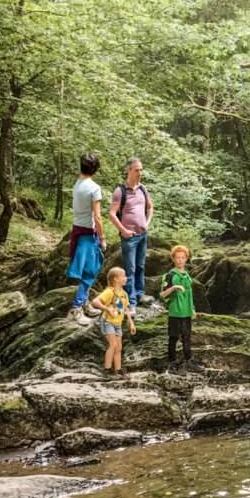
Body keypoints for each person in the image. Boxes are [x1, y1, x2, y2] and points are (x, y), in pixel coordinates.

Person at [66, 152, 107, 324]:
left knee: (88, 269)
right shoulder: (94, 188)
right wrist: (103, 237)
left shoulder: (77, 184)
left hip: (78, 229)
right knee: (91, 270)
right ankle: (76, 307)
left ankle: (84, 303)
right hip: (88, 233)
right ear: (95, 168)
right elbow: (97, 217)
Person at [109, 157, 154, 312]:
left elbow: (150, 208)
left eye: (141, 170)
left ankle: (140, 294)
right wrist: (123, 230)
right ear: (128, 170)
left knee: (141, 266)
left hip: (142, 235)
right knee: (130, 270)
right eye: (137, 170)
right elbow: (112, 214)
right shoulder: (120, 191)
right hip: (129, 237)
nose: (140, 173)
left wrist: (147, 223)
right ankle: (131, 302)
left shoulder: (143, 189)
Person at [160, 245, 203, 372]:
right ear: (173, 259)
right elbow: (162, 294)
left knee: (187, 337)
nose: (180, 260)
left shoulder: (187, 275)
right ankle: (171, 362)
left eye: (182, 257)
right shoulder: (170, 275)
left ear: (186, 259)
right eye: (177, 258)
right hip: (175, 312)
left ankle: (188, 360)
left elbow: (189, 294)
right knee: (173, 337)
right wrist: (174, 288)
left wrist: (192, 309)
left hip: (186, 312)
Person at [92, 266, 136, 377]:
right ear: (116, 279)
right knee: (113, 344)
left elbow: (126, 309)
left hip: (118, 324)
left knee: (119, 347)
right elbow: (95, 302)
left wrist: (131, 323)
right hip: (108, 322)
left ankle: (118, 369)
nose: (126, 278)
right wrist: (106, 309)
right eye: (123, 276)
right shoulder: (109, 292)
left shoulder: (124, 294)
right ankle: (107, 369)